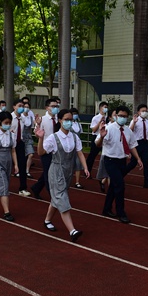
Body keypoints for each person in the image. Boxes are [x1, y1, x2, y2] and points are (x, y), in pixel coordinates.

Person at [36, 109, 89, 242]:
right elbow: (41, 152)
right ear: (60, 120)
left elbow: (80, 152)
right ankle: (72, 231)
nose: (69, 122)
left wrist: (85, 168)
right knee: (62, 198)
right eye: (66, 119)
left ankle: (47, 220)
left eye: (71, 120)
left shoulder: (74, 137)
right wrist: (40, 138)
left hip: (68, 172)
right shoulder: (53, 137)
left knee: (57, 197)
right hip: (56, 171)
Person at [96, 105, 143, 223]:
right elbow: (97, 144)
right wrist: (101, 137)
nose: (123, 118)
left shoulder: (128, 130)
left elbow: (132, 145)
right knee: (120, 185)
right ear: (116, 116)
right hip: (110, 160)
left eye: (125, 116)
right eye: (120, 115)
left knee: (114, 186)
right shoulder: (108, 128)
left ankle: (106, 209)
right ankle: (121, 212)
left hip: (122, 160)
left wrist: (138, 159)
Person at [31, 98, 60, 198]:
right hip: (45, 150)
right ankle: (53, 196)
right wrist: (38, 124)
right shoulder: (42, 119)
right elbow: (36, 133)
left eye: (56, 106)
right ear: (47, 108)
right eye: (53, 106)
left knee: (50, 171)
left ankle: (36, 187)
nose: (55, 108)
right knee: (48, 173)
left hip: (56, 149)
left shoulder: (59, 119)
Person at [127, 104, 148, 188]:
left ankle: (147, 183)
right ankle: (121, 174)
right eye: (143, 111)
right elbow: (130, 131)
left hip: (145, 143)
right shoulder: (135, 120)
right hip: (137, 143)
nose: (145, 112)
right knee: (133, 163)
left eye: (146, 111)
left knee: (147, 163)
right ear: (138, 112)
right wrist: (134, 122)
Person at [11, 100, 32, 196]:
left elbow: (28, 126)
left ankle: (23, 188)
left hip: (20, 143)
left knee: (22, 165)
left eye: (23, 106)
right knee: (7, 165)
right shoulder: (10, 117)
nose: (22, 108)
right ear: (14, 107)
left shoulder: (23, 118)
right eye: (19, 106)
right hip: (9, 144)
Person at [86, 101, 108, 177]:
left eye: (107, 107)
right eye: (104, 107)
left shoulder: (107, 118)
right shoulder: (95, 118)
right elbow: (94, 130)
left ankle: (104, 174)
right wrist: (99, 122)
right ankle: (87, 171)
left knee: (106, 155)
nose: (106, 109)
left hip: (104, 138)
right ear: (100, 108)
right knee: (92, 155)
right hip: (96, 137)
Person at [69, 107, 85, 188]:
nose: (75, 115)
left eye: (76, 114)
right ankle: (67, 179)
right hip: (70, 146)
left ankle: (77, 182)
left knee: (78, 164)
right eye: (73, 114)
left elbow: (80, 134)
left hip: (78, 146)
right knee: (69, 164)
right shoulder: (68, 124)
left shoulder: (79, 124)